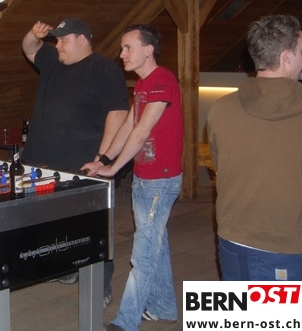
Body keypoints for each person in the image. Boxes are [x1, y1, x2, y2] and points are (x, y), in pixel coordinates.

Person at [20, 18, 130, 308]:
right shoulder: (53, 61)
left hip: (81, 166)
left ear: (82, 39)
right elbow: (29, 48)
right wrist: (33, 33)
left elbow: (117, 113)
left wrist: (102, 159)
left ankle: (100, 288)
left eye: (64, 40)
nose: (58, 45)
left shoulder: (103, 69)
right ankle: (66, 270)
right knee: (53, 223)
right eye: (56, 40)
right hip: (42, 162)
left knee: (93, 229)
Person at [81, 24, 183, 331]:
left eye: (128, 48)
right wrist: (103, 161)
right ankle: (164, 307)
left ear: (148, 50)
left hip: (160, 181)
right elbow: (128, 125)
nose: (122, 54)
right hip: (145, 177)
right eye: (122, 48)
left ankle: (126, 322)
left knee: (144, 254)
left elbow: (141, 131)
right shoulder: (141, 84)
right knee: (155, 245)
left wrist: (114, 169)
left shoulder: (162, 80)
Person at [207, 14, 302, 281]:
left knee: (242, 308)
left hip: (232, 240)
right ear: (286, 57)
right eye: (301, 52)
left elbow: (221, 166)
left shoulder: (221, 108)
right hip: (287, 245)